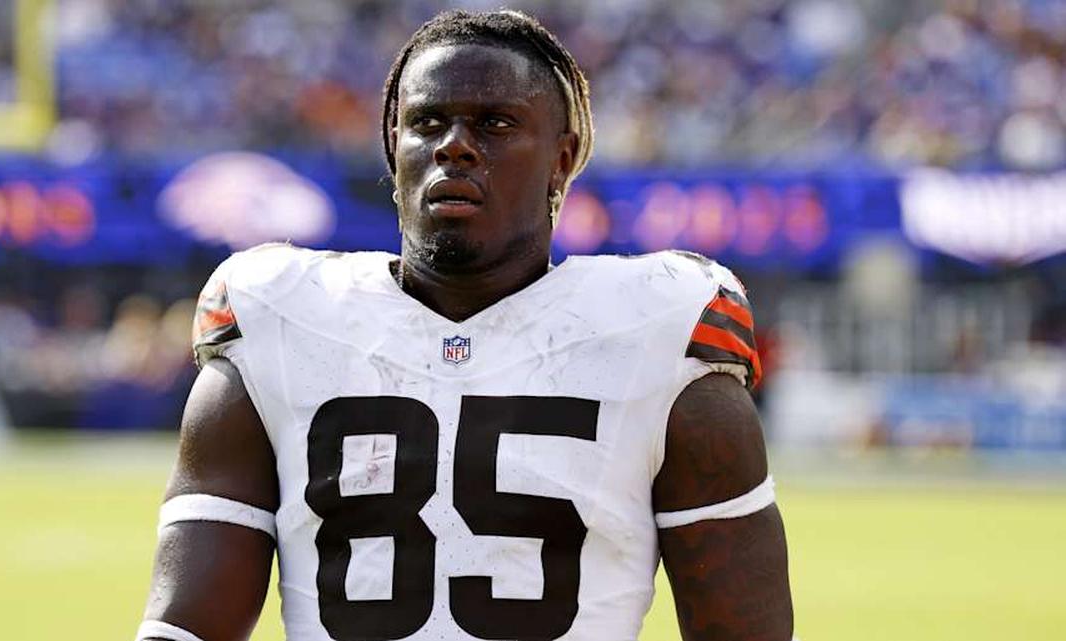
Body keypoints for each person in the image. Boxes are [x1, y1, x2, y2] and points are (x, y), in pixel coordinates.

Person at [137, 9, 792, 641]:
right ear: (394, 149)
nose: (454, 145)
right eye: (427, 122)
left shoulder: (663, 328)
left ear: (562, 159)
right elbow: (186, 622)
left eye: (495, 123)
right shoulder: (276, 314)